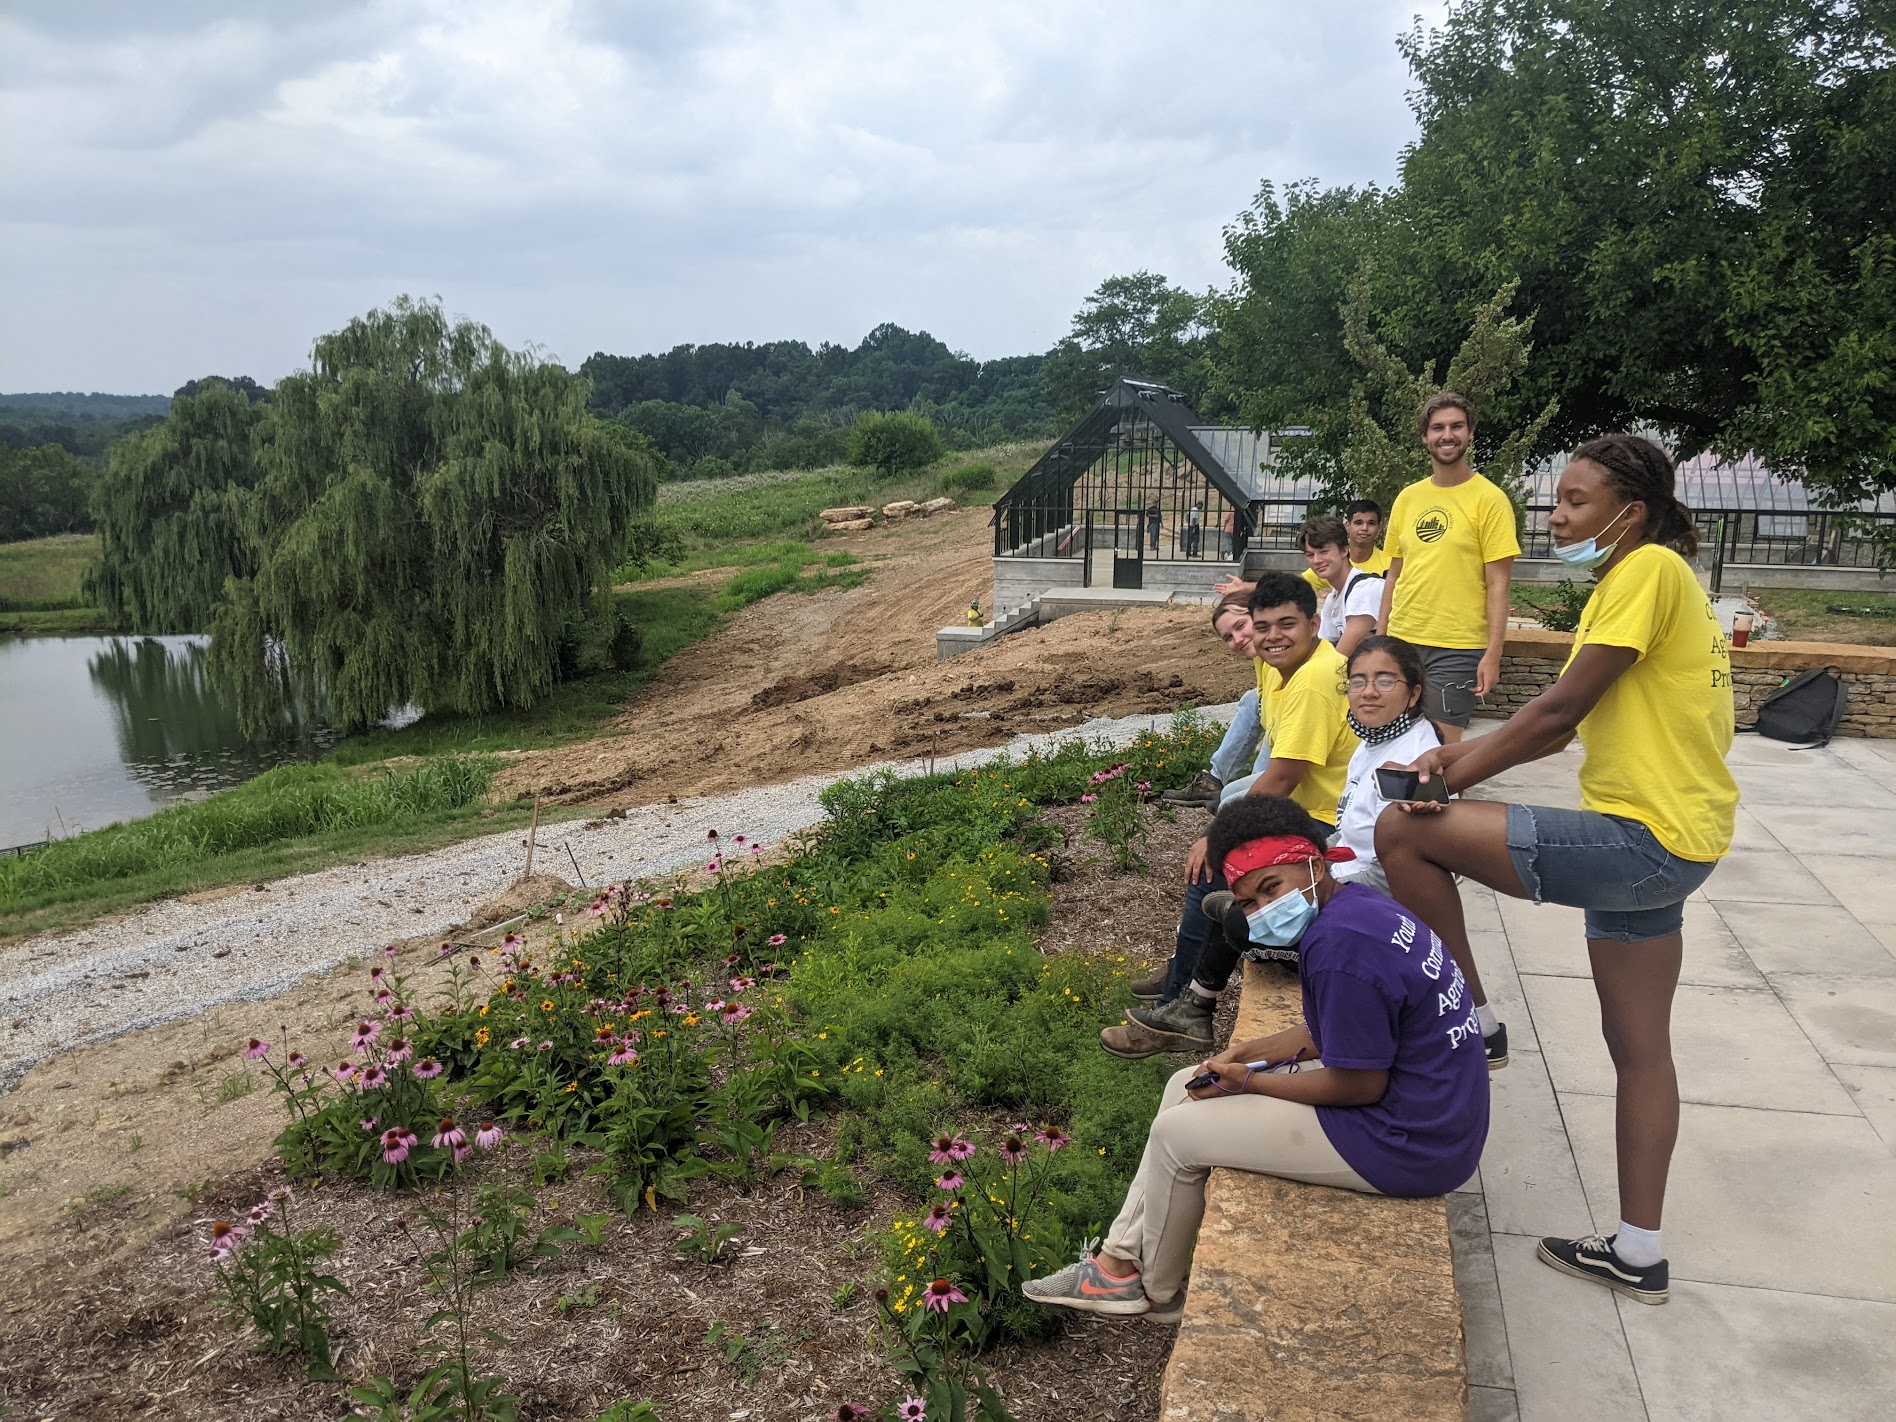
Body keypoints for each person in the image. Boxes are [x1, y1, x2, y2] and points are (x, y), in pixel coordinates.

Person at [1375, 434, 1734, 1305]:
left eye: (1575, 501)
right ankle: (1639, 1252)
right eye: (1557, 500)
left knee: (1402, 831)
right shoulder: (1654, 580)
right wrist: (1455, 762)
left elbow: (1556, 712)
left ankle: (1480, 1020)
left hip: (1640, 839)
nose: (1558, 515)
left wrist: (1442, 771)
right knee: (1639, 1049)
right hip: (1685, 845)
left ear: (1630, 510)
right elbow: (1567, 724)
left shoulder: (1645, 571)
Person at [1023, 795, 1491, 1318]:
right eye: (1247, 902)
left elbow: (1361, 1085)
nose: (1263, 909)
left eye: (1272, 887)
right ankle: (1118, 1262)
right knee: (1186, 1082)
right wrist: (1246, 1052)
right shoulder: (1356, 908)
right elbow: (1338, 1028)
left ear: (1314, 864)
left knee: (1177, 1138)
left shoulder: (1339, 948)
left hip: (1411, 1143)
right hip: (1435, 1112)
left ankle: (1151, 1290)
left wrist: (1249, 1081)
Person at [1127, 636, 1442, 1046]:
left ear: (1413, 692)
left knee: (1239, 918)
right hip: (1342, 875)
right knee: (1241, 891)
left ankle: (1191, 1007)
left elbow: (1403, 873)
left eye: (1385, 681)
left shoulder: (1414, 761)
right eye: (1359, 681)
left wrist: (1311, 890)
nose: (1367, 692)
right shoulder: (1376, 740)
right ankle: (1188, 1001)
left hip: (1369, 918)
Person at [1103, 573, 1355, 1057]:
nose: (1269, 637)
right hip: (1310, 807)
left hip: (1328, 821)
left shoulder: (1315, 680)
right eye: (1262, 627)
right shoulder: (1279, 666)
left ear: (1315, 623)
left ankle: (1181, 1008)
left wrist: (1219, 833)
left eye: (1286, 624)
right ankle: (1183, 974)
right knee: (1218, 842)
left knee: (1212, 864)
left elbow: (1282, 778)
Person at [1377, 393, 1519, 746]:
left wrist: (1493, 654)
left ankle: (1446, 805)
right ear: (1425, 436)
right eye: (1437, 427)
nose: (1447, 434)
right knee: (1389, 742)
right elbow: (1393, 574)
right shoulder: (1408, 498)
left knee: (1440, 752)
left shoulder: (1490, 500)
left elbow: (1499, 584)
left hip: (1458, 648)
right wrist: (1379, 639)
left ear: (1470, 432)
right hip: (1402, 640)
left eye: (1457, 426)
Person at [1158, 596, 1270, 814]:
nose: (1237, 639)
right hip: (1283, 732)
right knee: (1253, 699)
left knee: (1245, 805)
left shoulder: (1284, 661)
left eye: (1241, 626)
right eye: (1228, 637)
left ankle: (1247, 796)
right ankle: (1215, 780)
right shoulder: (1263, 659)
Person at [1301, 514, 1382, 660]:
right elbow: (1321, 647)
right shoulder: (1333, 598)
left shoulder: (1365, 589)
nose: (1317, 560)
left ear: (1344, 551)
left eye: (1324, 552)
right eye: (1310, 555)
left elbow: (1339, 658)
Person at [1301, 497, 1390, 599]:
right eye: (1358, 523)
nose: (1364, 528)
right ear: (1347, 526)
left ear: (1379, 529)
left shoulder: (1391, 565)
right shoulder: (1329, 562)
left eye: (1371, 523)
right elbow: (1298, 588)